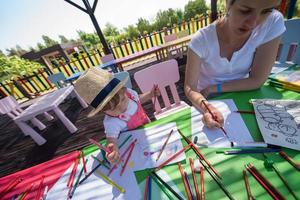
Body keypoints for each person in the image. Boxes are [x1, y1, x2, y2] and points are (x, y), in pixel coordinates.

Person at [184, 0, 285, 129]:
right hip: (205, 101)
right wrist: (207, 107)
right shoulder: (200, 40)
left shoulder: (273, 22)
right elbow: (190, 88)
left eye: (266, 11)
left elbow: (257, 80)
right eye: (245, 10)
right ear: (228, 3)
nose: (253, 23)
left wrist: (214, 88)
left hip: (242, 94)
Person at [74, 67, 160, 164]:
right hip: (134, 147)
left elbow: (137, 100)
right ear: (103, 111)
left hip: (148, 131)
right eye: (113, 108)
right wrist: (113, 150)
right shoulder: (112, 122)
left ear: (124, 91)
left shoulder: (130, 94)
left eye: (123, 99)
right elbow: (111, 140)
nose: (121, 107)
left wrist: (150, 94)